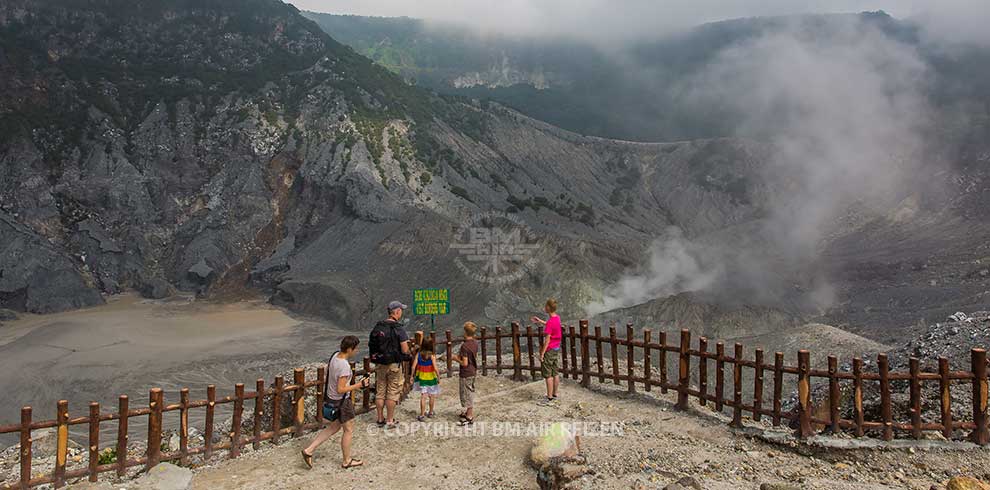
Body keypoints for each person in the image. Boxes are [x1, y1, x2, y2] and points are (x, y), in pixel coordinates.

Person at [302, 335, 370, 470]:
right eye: (355, 349)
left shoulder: (334, 356)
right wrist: (359, 385)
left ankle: (309, 450)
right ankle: (346, 461)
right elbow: (341, 389)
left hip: (331, 398)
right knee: (349, 430)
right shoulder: (344, 366)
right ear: (350, 349)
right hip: (341, 401)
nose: (356, 351)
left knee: (334, 427)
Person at [369, 300, 410, 428]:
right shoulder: (399, 328)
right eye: (401, 310)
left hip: (380, 363)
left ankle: (380, 418)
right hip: (393, 364)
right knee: (392, 391)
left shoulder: (379, 326)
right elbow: (404, 349)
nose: (401, 312)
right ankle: (390, 420)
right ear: (397, 311)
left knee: (380, 390)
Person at [532, 298, 562, 403]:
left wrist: (542, 353)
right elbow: (551, 325)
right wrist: (540, 321)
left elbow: (547, 340)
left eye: (545, 306)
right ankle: (555, 393)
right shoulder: (557, 318)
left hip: (549, 350)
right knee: (555, 372)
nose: (544, 307)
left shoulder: (550, 322)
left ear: (548, 308)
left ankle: (549, 397)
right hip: (556, 348)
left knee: (548, 375)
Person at [451, 321, 479, 425]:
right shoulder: (475, 343)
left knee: (467, 393)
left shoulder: (464, 346)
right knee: (470, 390)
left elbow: (464, 363)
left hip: (466, 372)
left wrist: (455, 358)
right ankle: (468, 412)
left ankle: (469, 416)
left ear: (465, 332)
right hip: (473, 370)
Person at [412, 338, 440, 422]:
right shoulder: (432, 356)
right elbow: (435, 368)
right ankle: (431, 412)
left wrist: (411, 376)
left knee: (423, 396)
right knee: (432, 395)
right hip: (431, 378)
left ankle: (422, 415)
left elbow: (413, 366)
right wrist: (438, 376)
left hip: (422, 379)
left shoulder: (419, 355)